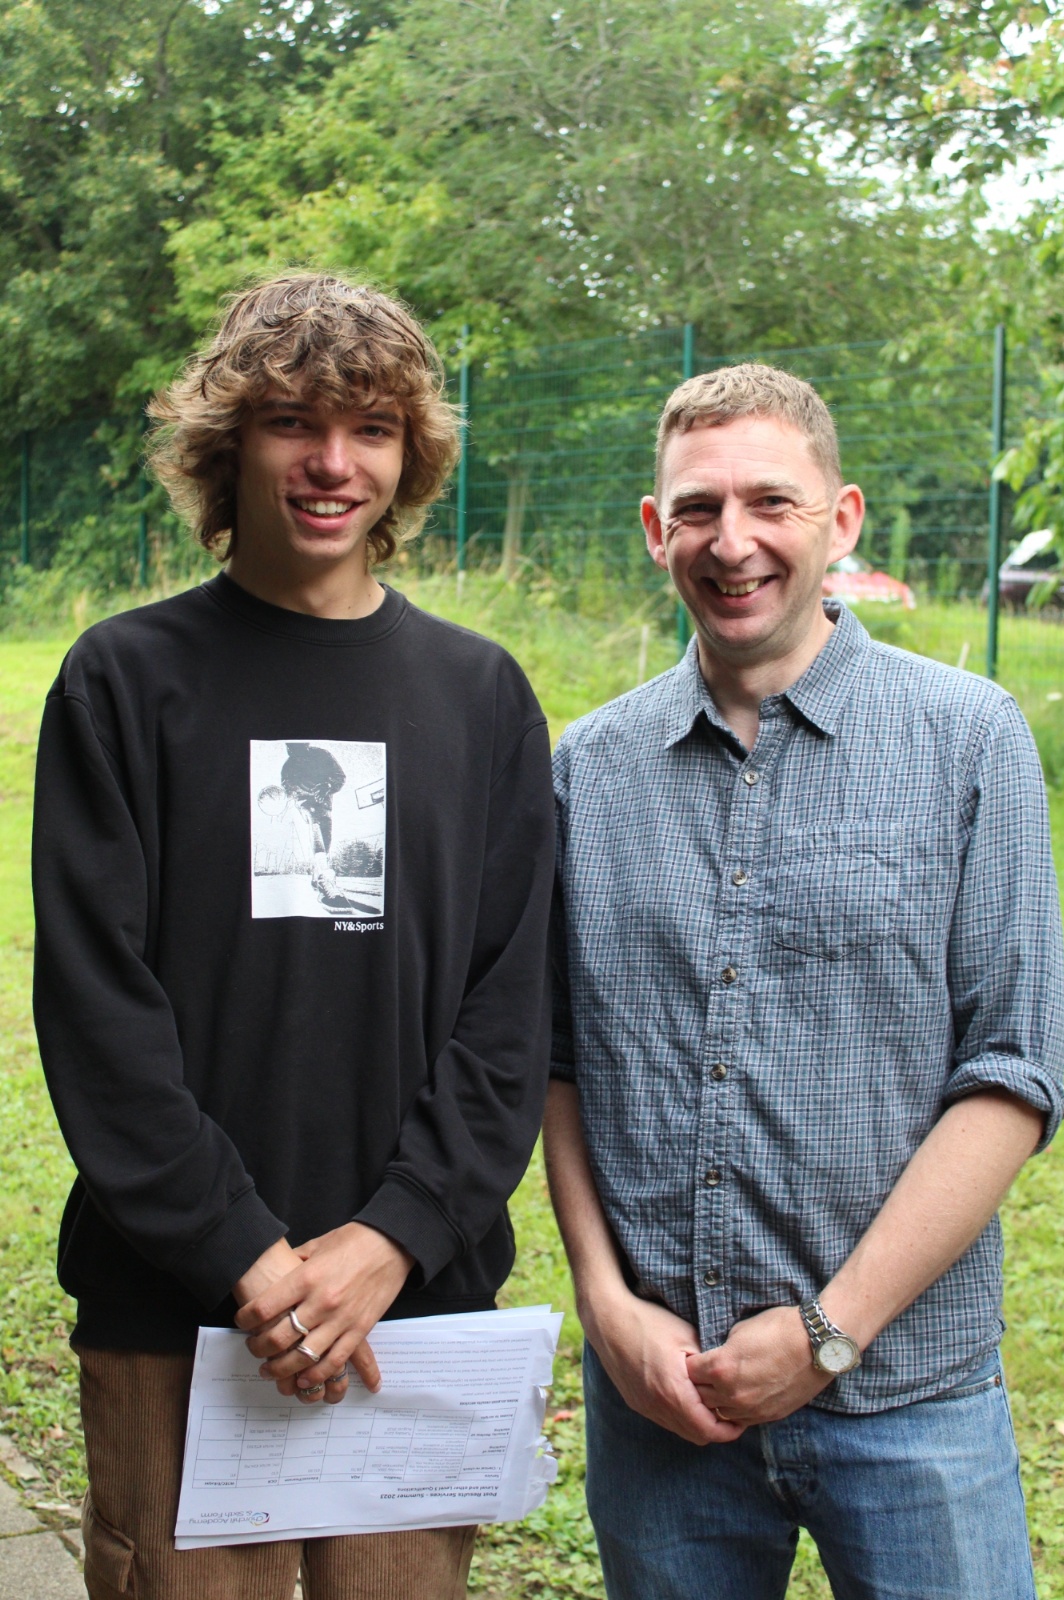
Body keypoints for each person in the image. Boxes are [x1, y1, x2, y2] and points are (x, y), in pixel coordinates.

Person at [32, 271, 555, 1600]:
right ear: (229, 443)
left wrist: (391, 1238)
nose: (334, 464)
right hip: (178, 1315)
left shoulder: (481, 697)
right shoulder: (122, 681)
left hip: (414, 1313)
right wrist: (246, 1256)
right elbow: (99, 1016)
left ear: (409, 456)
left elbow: (509, 1013)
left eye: (372, 428)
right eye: (293, 424)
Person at [544, 362, 1064, 1600]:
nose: (732, 542)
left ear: (841, 519)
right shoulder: (585, 769)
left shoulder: (968, 738)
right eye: (697, 508)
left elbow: (1013, 1073)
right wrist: (605, 1305)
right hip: (662, 1403)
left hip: (910, 1402)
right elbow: (558, 1061)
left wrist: (829, 1331)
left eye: (770, 502)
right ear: (654, 528)